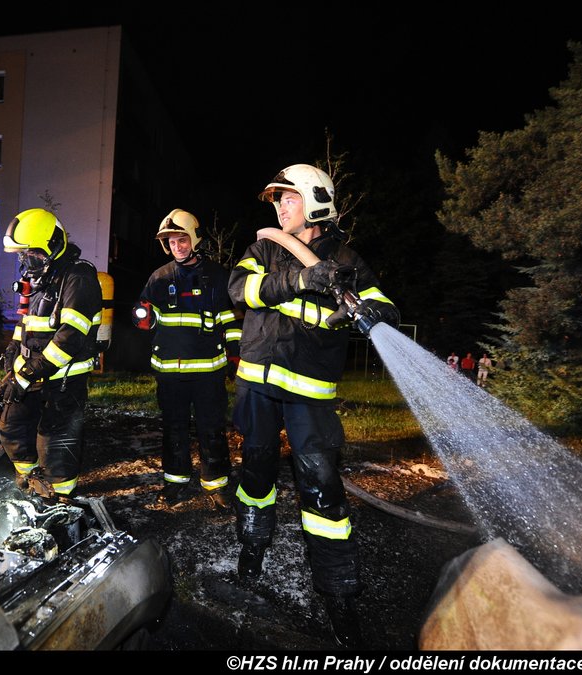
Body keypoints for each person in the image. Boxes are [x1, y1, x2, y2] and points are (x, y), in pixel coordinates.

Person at [228, 164, 399, 648]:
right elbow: (240, 291)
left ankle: (338, 592)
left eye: (289, 198)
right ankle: (252, 550)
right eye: (277, 200)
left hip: (310, 394)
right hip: (257, 387)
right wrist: (302, 278)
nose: (280, 207)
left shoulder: (347, 260)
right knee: (256, 477)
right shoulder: (263, 247)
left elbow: (384, 306)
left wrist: (371, 312)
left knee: (322, 489)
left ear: (316, 202)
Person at [133, 209, 241, 510]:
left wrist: (234, 355)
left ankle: (217, 484)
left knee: (212, 428)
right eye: (171, 242)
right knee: (173, 428)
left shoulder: (219, 276)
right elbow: (147, 316)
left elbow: (230, 320)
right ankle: (175, 483)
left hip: (208, 371)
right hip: (169, 372)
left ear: (194, 240)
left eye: (182, 240)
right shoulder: (159, 277)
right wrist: (143, 316)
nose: (177, 247)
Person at [0, 208, 102, 498]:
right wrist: (11, 366)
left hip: (65, 376)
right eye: (21, 256)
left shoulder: (78, 277)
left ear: (52, 245)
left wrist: (28, 374)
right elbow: (25, 327)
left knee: (55, 441)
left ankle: (61, 497)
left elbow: (69, 338)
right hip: (32, 372)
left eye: (30, 254)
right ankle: (28, 481)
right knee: (12, 426)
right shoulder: (40, 278)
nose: (25, 262)